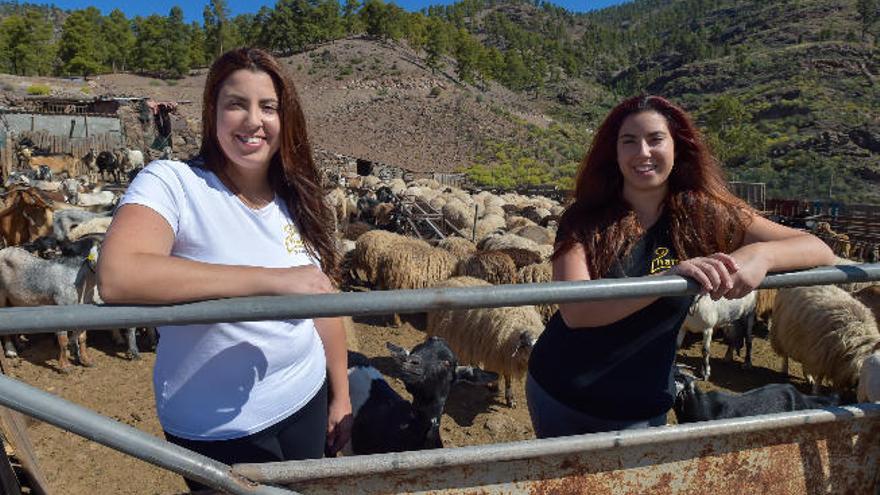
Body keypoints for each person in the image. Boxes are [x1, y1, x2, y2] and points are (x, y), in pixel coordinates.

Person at [97, 48, 351, 489]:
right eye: (236, 104)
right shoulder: (174, 183)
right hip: (214, 427)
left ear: (285, 119)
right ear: (211, 112)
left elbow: (318, 299)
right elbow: (118, 275)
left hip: (303, 395)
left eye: (268, 107)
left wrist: (341, 394)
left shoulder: (296, 201)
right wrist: (271, 282)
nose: (253, 120)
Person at [525, 95, 835, 438]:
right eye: (629, 141)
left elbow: (818, 248)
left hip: (643, 402)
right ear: (614, 153)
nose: (642, 152)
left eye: (655, 139)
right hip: (564, 393)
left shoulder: (704, 216)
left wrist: (760, 255)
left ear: (677, 147)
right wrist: (666, 279)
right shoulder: (584, 219)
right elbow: (576, 311)